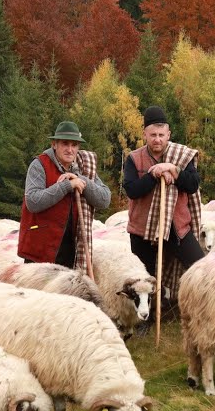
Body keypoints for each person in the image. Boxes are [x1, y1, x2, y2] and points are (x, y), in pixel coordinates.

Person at [122, 106, 205, 283]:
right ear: (145, 134)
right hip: (142, 230)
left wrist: (173, 170)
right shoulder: (134, 159)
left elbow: (192, 184)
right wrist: (154, 174)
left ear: (168, 134)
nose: (157, 140)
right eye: (153, 135)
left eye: (161, 135)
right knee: (146, 281)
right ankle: (153, 311)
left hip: (177, 227)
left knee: (199, 268)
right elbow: (132, 190)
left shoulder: (182, 156)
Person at [18, 121, 111, 273]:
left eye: (74, 145)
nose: (70, 149)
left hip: (69, 250)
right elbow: (33, 201)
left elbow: (105, 199)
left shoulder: (83, 167)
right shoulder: (39, 164)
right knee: (38, 296)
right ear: (54, 144)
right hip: (39, 249)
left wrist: (81, 180)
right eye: (65, 144)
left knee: (63, 296)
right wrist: (67, 186)